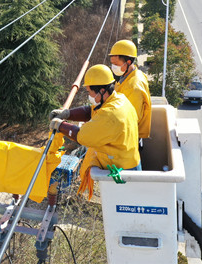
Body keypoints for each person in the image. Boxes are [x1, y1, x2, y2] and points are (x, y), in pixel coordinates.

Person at [49, 64, 140, 199]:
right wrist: (67, 114)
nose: (89, 96)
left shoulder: (111, 113)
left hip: (122, 172)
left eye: (89, 92)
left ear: (102, 91)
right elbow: (89, 111)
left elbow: (82, 136)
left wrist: (60, 125)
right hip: (128, 162)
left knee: (123, 206)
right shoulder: (117, 99)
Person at [109, 40, 152, 140]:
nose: (113, 67)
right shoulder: (130, 74)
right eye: (112, 63)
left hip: (128, 137)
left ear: (128, 62)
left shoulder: (133, 87)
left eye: (116, 63)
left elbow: (129, 120)